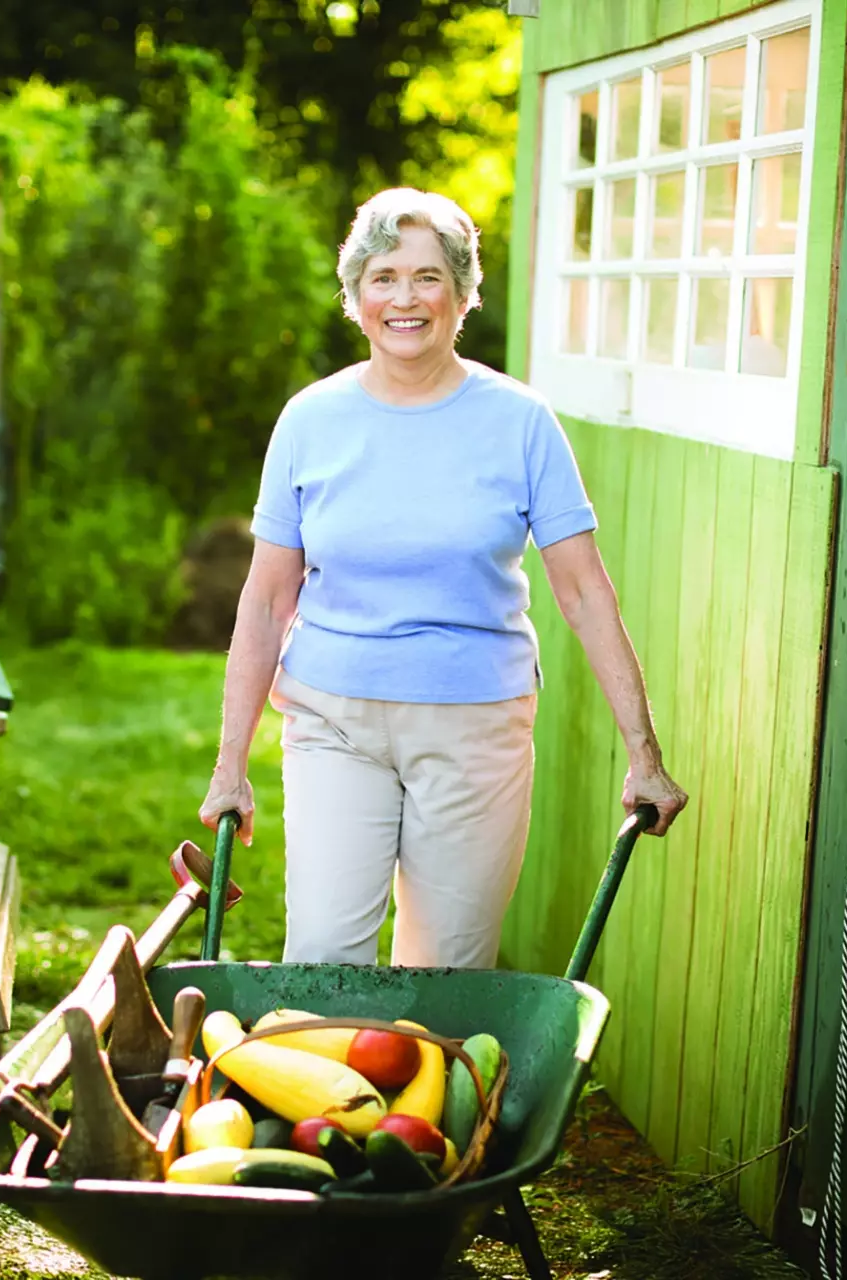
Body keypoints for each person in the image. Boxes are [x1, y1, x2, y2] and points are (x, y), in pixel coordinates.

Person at [198, 187, 687, 969]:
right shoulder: (310, 420)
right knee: (324, 959)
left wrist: (646, 753)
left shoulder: (521, 421)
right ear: (356, 296)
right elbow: (264, 602)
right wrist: (230, 769)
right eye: (383, 276)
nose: (404, 298)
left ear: (463, 294)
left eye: (428, 277)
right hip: (335, 722)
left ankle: (428, 1093)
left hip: (476, 726)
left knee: (449, 972)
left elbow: (585, 591)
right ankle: (332, 1096)